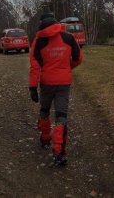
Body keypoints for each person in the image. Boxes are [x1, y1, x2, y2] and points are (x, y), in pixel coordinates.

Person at [29, 13, 83, 166]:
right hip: (64, 82)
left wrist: (32, 87)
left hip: (47, 83)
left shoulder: (39, 41)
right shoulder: (68, 37)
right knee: (61, 116)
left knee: (44, 111)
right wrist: (67, 67)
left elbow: (35, 66)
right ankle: (59, 152)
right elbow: (78, 57)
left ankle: (45, 138)